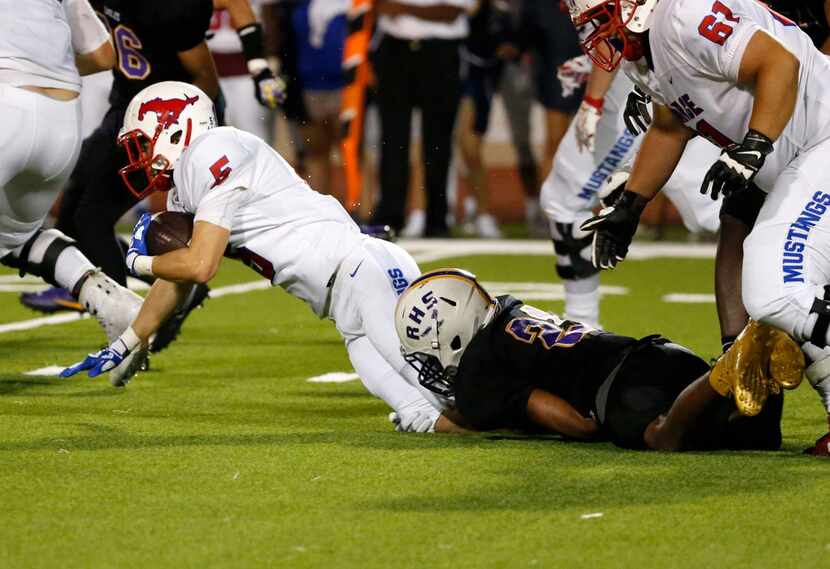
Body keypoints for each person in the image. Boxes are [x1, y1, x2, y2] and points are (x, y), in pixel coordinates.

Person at [60, 81, 447, 434]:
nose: (142, 155)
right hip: (343, 307)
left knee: (450, 394)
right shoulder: (186, 190)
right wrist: (127, 342)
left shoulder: (214, 149)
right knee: (422, 418)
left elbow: (200, 265)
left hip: (363, 273)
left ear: (176, 128)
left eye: (144, 142)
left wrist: (135, 262)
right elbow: (177, 281)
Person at [565, 0, 830, 445]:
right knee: (772, 276)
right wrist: (632, 205)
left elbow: (778, 63)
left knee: (775, 290)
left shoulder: (682, 16)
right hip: (800, 156)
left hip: (818, 140)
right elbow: (671, 127)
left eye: (599, 18)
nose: (596, 35)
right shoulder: (648, 49)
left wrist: (753, 145)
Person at [394, 269, 805, 450]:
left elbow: (578, 423)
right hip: (658, 354)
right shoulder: (507, 311)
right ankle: (757, 355)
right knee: (754, 435)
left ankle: (727, 370)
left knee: (664, 438)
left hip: (622, 388)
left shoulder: (479, 371)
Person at [0, 0, 147, 385]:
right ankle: (109, 300)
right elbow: (102, 54)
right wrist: (46, 71)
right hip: (62, 119)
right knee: (13, 235)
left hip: (7, 104)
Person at [540, 60, 721, 328]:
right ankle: (581, 323)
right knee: (713, 213)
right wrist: (595, 61)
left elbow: (617, 33)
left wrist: (594, 95)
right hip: (661, 85)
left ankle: (582, 324)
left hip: (639, 95)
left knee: (715, 213)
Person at [370, 0, 475, 236]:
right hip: (394, 48)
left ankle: (437, 219)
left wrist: (405, 9)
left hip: (440, 50)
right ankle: (390, 217)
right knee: (392, 139)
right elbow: (377, 6)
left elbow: (453, 11)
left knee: (437, 140)